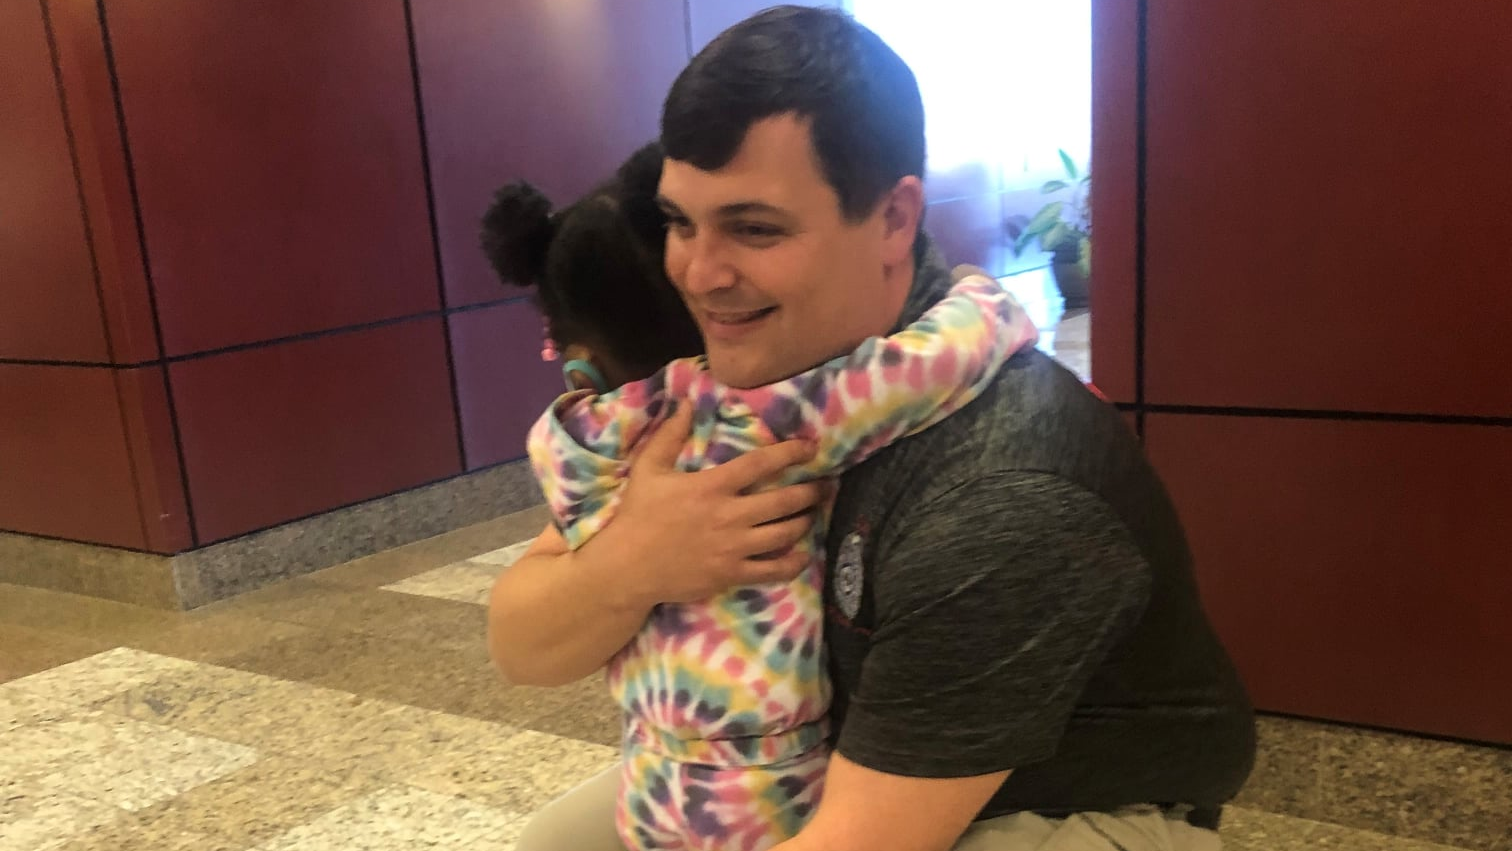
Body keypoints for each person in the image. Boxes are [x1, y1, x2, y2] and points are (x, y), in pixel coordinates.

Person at [492, 6, 1256, 851]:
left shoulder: (1001, 486)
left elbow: (861, 841)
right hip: (832, 752)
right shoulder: (739, 378)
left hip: (1054, 802)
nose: (699, 274)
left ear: (894, 219)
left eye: (754, 228)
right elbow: (521, 645)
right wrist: (633, 560)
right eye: (681, 222)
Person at [528, 274, 1036, 851]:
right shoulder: (761, 415)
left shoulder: (568, 445)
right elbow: (936, 363)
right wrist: (981, 294)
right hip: (759, 779)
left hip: (649, 770)